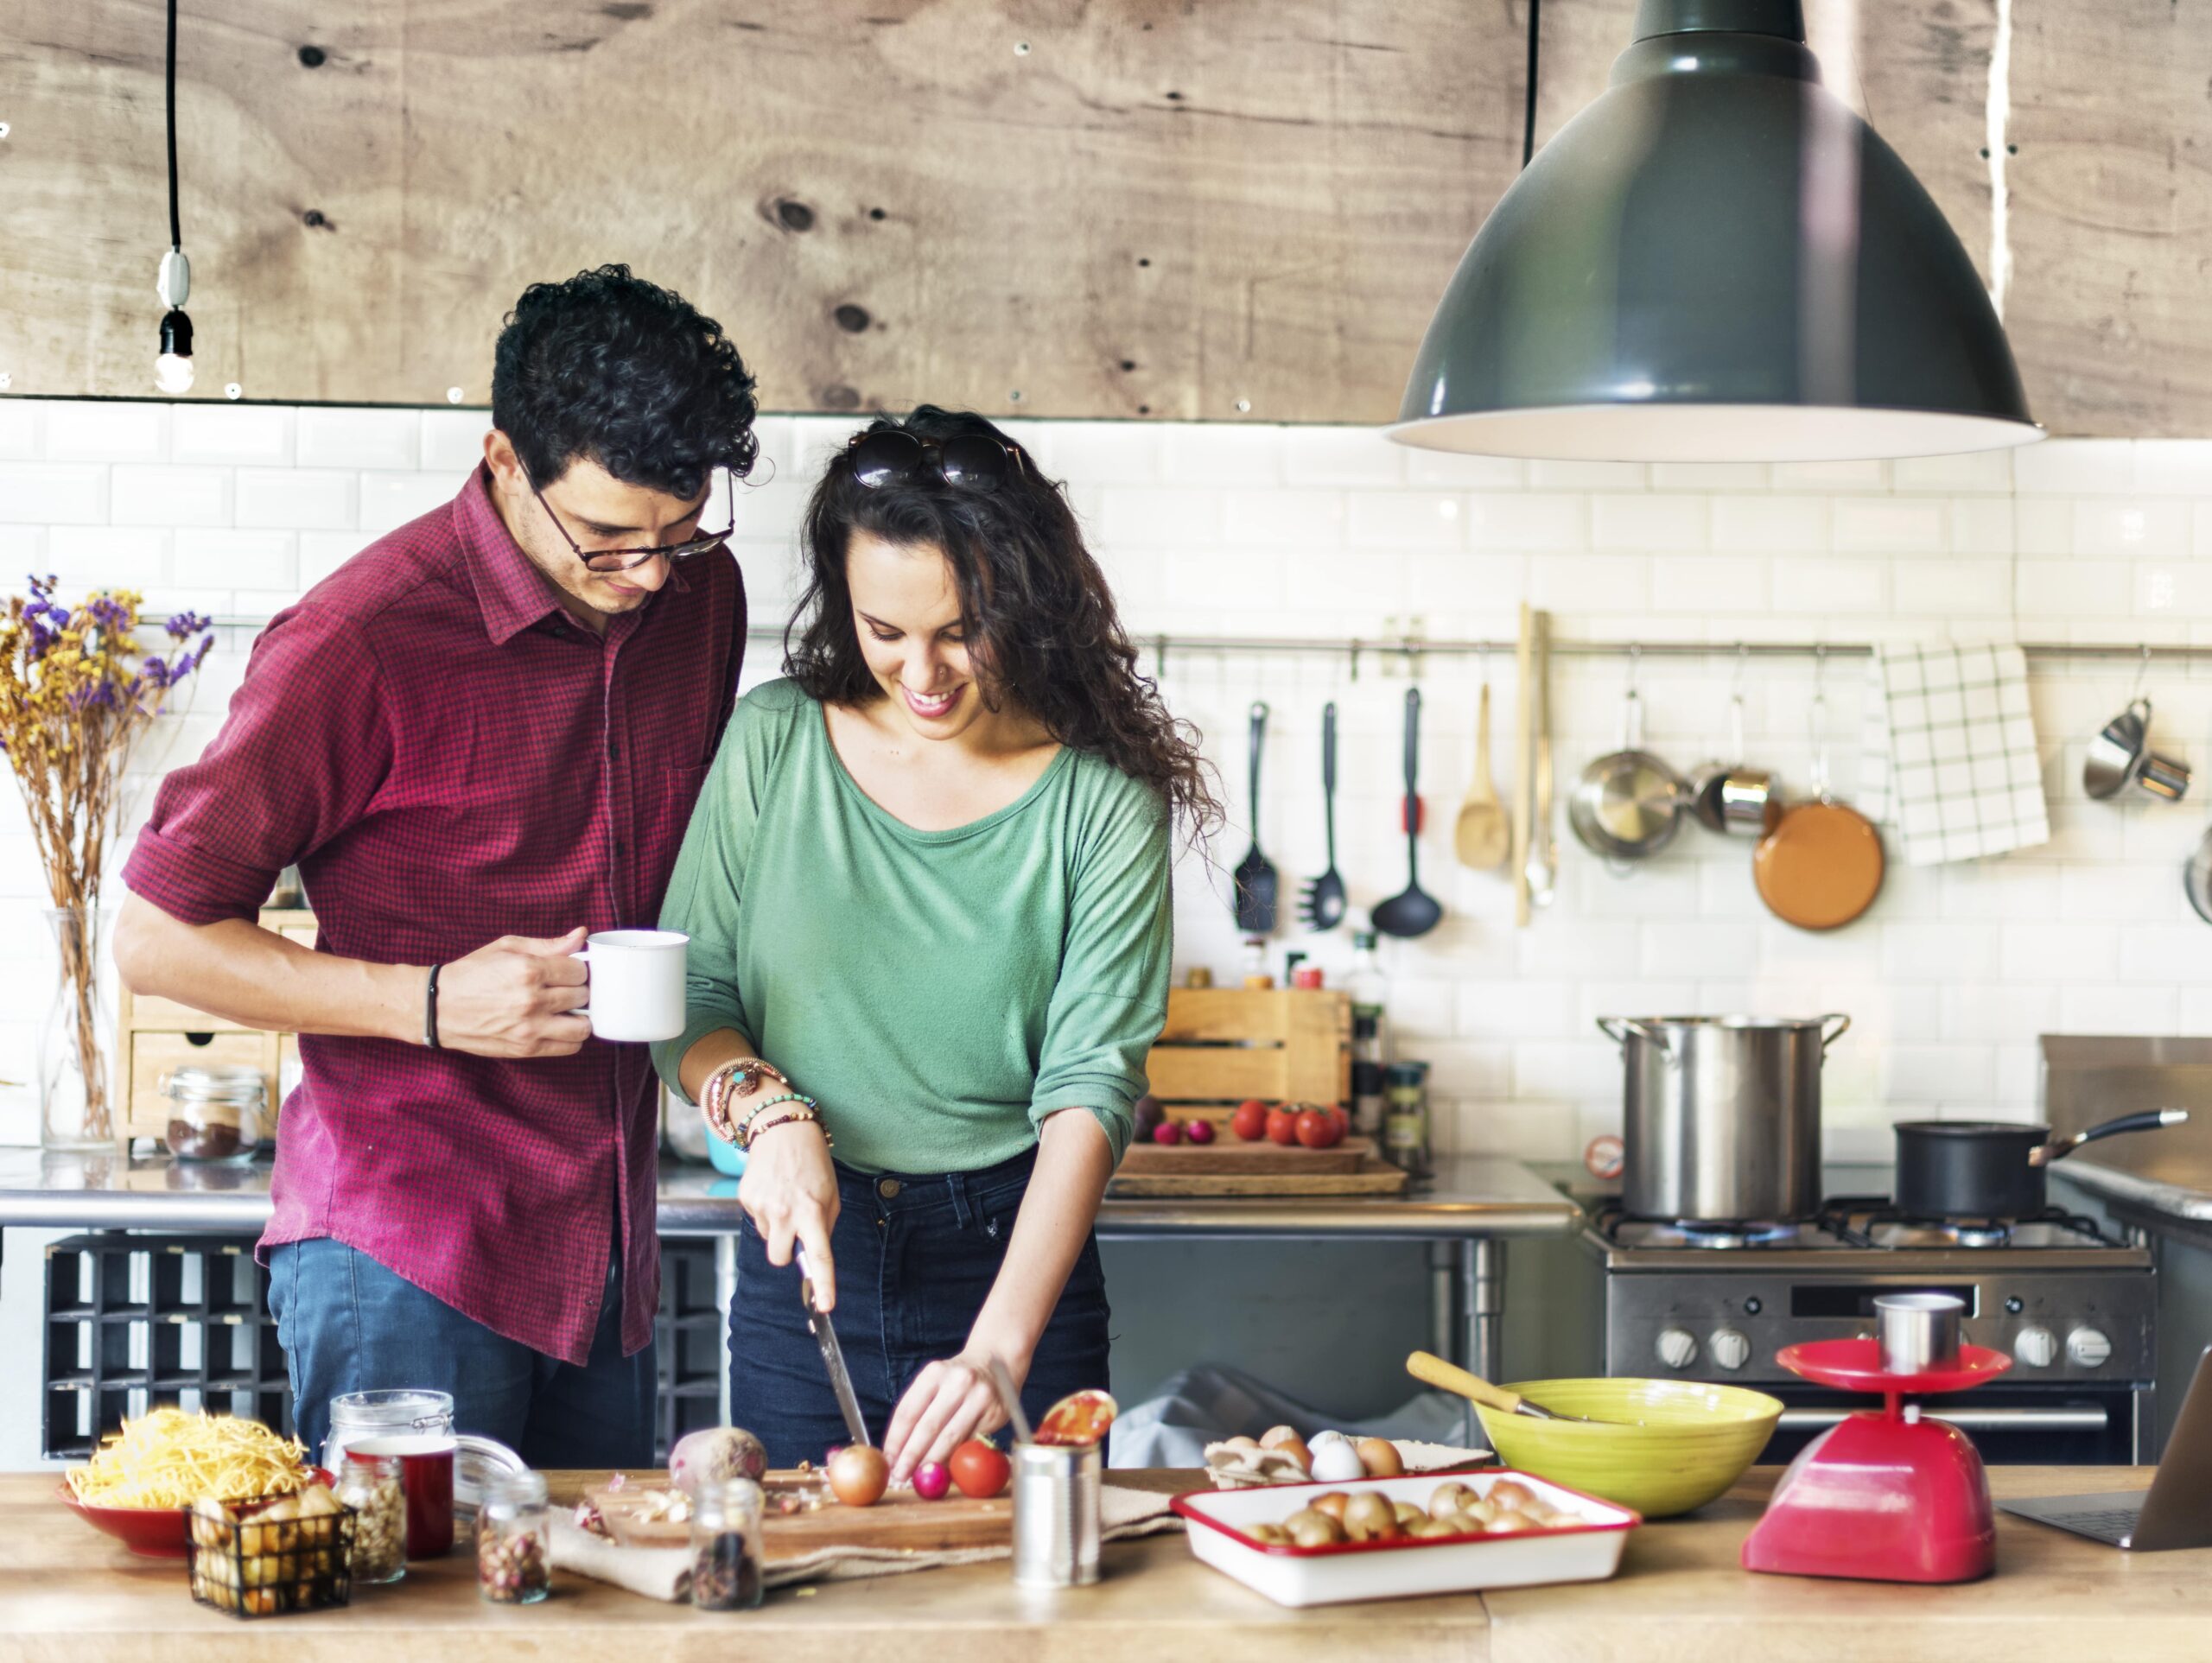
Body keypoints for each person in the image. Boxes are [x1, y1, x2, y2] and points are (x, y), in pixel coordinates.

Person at [112, 265, 760, 1468]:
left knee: (583, 1627)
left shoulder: (698, 597)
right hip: (405, 1248)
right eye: (609, 537)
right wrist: (425, 1000)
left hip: (606, 1248)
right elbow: (154, 935)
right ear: (504, 460)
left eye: (679, 532)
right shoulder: (359, 640)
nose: (649, 575)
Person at [653, 406, 1217, 1479]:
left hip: (1016, 1262)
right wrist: (763, 1110)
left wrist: (997, 1346)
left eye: (962, 629)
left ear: (1028, 601)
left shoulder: (1099, 797)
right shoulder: (774, 740)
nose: (923, 673)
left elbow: (1090, 1082)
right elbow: (694, 988)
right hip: (805, 1261)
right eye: (884, 631)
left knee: (1035, 1621)